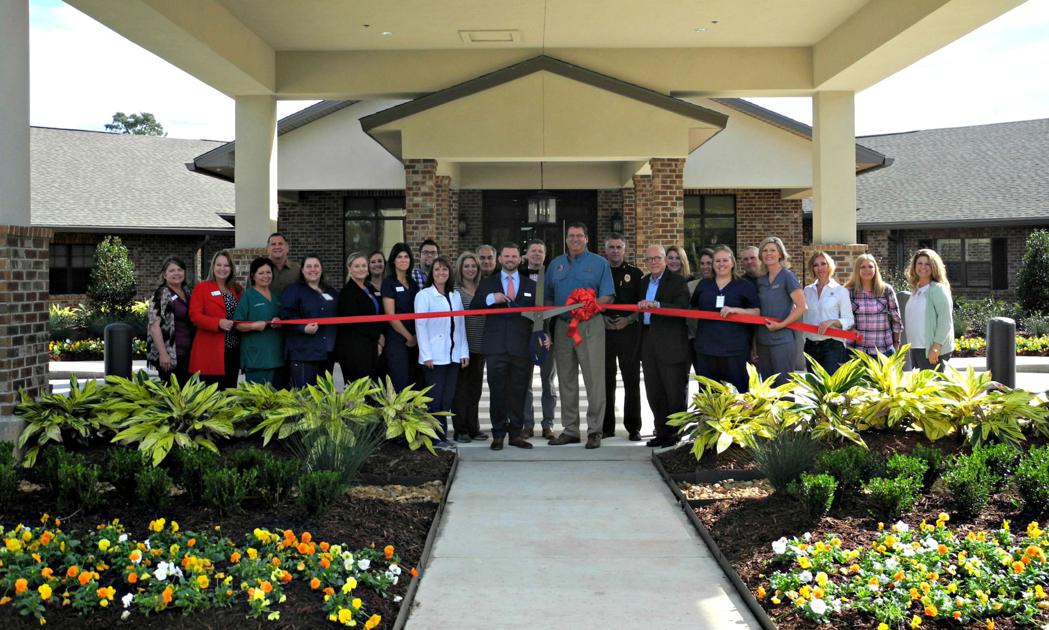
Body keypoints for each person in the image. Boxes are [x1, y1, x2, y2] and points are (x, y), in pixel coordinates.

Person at [545, 222, 615, 449]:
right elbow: (547, 298)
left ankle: (595, 430)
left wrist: (587, 308)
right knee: (566, 379)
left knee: (594, 379)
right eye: (571, 236)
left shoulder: (599, 263)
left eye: (579, 236)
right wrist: (546, 327)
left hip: (590, 325)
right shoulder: (555, 265)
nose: (574, 239)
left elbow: (608, 296)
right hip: (563, 327)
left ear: (587, 239)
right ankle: (570, 429)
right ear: (566, 239)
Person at [473, 243, 543, 450]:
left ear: (519, 259)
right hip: (496, 347)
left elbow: (538, 316)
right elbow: (475, 306)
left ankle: (516, 434)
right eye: (506, 256)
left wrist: (543, 335)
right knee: (497, 392)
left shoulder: (531, 286)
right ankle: (498, 434)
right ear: (500, 259)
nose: (510, 259)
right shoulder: (488, 283)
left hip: (521, 347)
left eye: (514, 256)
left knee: (519, 392)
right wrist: (490, 298)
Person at [638, 245, 691, 447]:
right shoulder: (643, 282)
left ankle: (674, 434)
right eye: (649, 259)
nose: (653, 262)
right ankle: (660, 432)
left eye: (657, 258)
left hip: (671, 342)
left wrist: (658, 306)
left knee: (673, 390)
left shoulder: (677, 281)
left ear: (664, 260)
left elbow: (683, 307)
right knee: (654, 390)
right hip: (648, 340)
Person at [415, 256, 469, 445]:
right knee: (434, 400)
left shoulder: (455, 295)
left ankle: (442, 436)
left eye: (445, 269)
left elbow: (460, 324)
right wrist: (426, 355)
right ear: (432, 273)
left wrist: (464, 352)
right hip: (434, 358)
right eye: (437, 269)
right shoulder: (424, 295)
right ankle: (434, 439)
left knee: (447, 399)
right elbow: (420, 326)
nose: (441, 273)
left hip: (452, 356)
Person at [691, 245, 760, 393]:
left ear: (733, 262)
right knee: (708, 397)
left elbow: (756, 312)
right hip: (706, 350)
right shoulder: (704, 285)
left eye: (725, 260)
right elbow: (693, 308)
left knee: (737, 397)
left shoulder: (744, 285)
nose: (721, 264)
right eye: (717, 261)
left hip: (735, 352)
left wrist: (736, 310)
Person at [602, 233, 643, 441]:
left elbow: (642, 305)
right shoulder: (600, 273)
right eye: (611, 247)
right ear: (605, 250)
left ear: (625, 249)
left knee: (631, 381)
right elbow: (591, 302)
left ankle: (633, 427)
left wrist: (629, 320)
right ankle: (606, 427)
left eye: (619, 247)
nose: (615, 251)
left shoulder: (636, 274)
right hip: (605, 333)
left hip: (628, 333)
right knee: (606, 381)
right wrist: (602, 319)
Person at [279, 255, 338, 387]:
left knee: (323, 396)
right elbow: (285, 315)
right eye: (309, 266)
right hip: (303, 353)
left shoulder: (331, 291)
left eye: (316, 266)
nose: (313, 269)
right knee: (304, 397)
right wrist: (303, 327)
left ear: (321, 269)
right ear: (302, 270)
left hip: (327, 352)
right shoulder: (293, 290)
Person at [755, 236, 806, 386]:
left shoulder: (787, 276)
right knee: (767, 388)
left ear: (780, 255)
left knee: (784, 389)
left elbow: (802, 306)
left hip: (783, 341)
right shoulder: (761, 280)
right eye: (764, 250)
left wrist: (781, 324)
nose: (768, 253)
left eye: (772, 250)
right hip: (762, 341)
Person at [189, 250, 242, 389]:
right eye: (219, 265)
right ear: (213, 267)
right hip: (210, 351)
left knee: (230, 393)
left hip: (233, 350)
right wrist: (218, 323)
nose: (222, 269)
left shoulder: (237, 289)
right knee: (212, 397)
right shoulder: (202, 288)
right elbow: (195, 316)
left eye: (226, 265)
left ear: (231, 269)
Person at [521, 238, 558, 440]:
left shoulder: (552, 277)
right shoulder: (518, 275)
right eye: (533, 251)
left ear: (545, 255)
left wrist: (549, 335)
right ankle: (527, 425)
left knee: (548, 382)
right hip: (524, 337)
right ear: (527, 254)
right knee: (524, 383)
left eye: (540, 251)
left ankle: (548, 425)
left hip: (547, 337)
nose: (536, 254)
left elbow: (555, 307)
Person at [451, 252, 488, 442]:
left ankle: (474, 427)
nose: (470, 269)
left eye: (473, 266)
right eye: (466, 266)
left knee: (476, 390)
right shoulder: (455, 291)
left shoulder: (483, 288)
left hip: (480, 347)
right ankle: (461, 429)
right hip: (462, 348)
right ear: (460, 268)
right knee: (461, 390)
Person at [802, 251, 855, 374]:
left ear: (829, 266)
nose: (820, 268)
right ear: (812, 268)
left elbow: (849, 320)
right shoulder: (807, 291)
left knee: (831, 390)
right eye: (816, 265)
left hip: (833, 346)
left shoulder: (840, 291)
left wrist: (832, 322)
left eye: (823, 264)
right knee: (815, 389)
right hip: (811, 345)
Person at [233, 257, 283, 385]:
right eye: (261, 273)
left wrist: (279, 321)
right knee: (257, 401)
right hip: (256, 359)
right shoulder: (248, 296)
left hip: (277, 357)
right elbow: (237, 324)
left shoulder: (277, 295)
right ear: (253, 276)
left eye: (268, 272)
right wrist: (254, 326)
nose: (265, 276)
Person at [336, 252, 385, 383]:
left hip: (370, 346)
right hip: (354, 349)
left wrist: (379, 335)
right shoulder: (347, 292)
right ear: (349, 269)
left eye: (363, 265)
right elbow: (355, 322)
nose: (361, 269)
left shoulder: (369, 288)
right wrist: (377, 337)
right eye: (357, 266)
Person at [146, 256, 194, 384]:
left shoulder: (187, 292)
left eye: (179, 269)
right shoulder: (161, 294)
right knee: (173, 395)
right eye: (172, 270)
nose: (176, 273)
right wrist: (163, 354)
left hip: (187, 353)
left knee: (188, 395)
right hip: (171, 355)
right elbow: (154, 326)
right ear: (164, 275)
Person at [905, 249, 954, 371]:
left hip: (930, 350)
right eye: (919, 263)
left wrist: (936, 348)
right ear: (914, 266)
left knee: (932, 388)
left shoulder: (937, 290)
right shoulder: (916, 290)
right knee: (921, 389)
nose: (923, 267)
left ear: (934, 266)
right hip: (916, 348)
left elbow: (945, 320)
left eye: (927, 264)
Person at [845, 253, 903, 357]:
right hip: (857, 351)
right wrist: (850, 329)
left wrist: (896, 343)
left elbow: (896, 320)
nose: (867, 269)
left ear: (875, 269)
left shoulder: (886, 290)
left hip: (884, 351)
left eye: (870, 266)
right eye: (863, 267)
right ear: (857, 270)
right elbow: (842, 319)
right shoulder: (848, 292)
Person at [382, 243, 421, 392]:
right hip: (398, 341)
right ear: (393, 260)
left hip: (415, 340)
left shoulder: (413, 283)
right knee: (400, 384)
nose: (403, 260)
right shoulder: (389, 283)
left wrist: (416, 337)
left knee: (414, 383)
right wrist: (409, 337)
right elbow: (391, 316)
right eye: (399, 257)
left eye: (406, 257)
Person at [267, 233, 300, 297]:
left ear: (287, 248)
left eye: (280, 244)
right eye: (273, 244)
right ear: (268, 249)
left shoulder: (297, 269)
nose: (277, 247)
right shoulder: (258, 269)